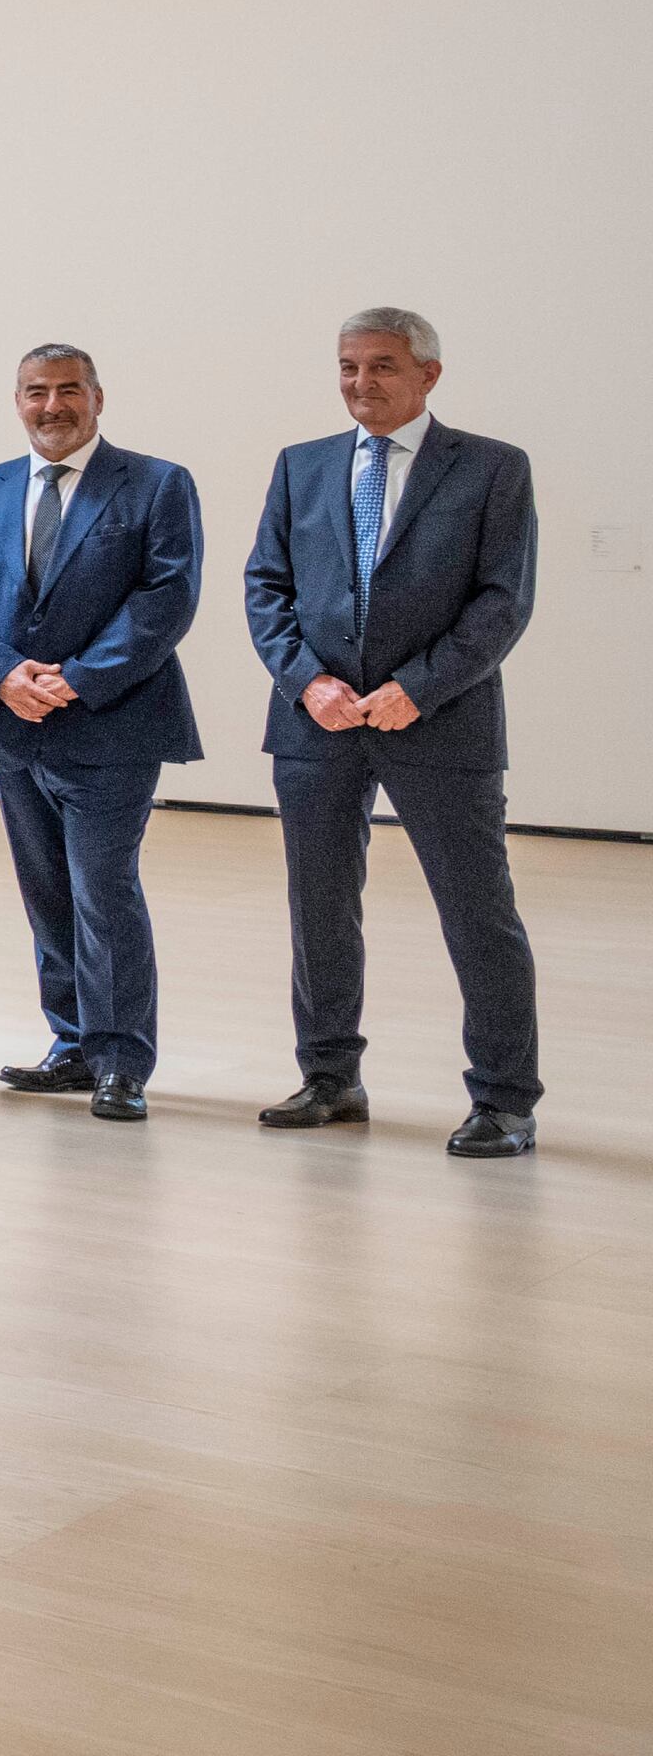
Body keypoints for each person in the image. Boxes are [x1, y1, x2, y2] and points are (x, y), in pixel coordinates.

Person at [241, 307, 543, 1158]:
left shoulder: (491, 468)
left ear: (428, 375)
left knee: (478, 913)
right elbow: (266, 585)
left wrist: (421, 685)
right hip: (318, 724)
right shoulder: (302, 466)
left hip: (441, 721)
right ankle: (330, 1074)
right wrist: (307, 682)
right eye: (347, 366)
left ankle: (505, 1098)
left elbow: (502, 601)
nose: (360, 383)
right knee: (320, 909)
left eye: (380, 365)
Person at [0, 343, 200, 1123]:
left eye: (69, 390)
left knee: (104, 891)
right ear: (17, 401)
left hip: (112, 723)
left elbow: (165, 598)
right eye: (37, 392)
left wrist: (76, 677)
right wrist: (4, 674)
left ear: (99, 397)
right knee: (47, 892)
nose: (53, 405)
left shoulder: (156, 483)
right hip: (10, 722)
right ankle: (73, 1041)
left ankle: (120, 1058)